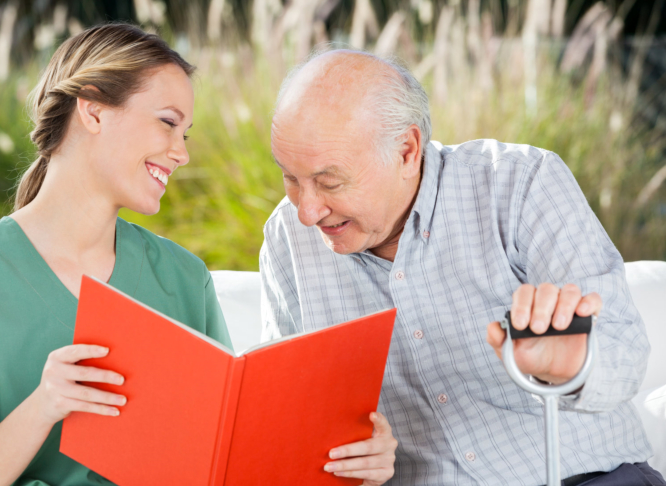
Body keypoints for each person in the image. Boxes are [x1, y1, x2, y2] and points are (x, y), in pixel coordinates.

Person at [260, 49, 666, 485]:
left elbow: (623, 354)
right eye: (290, 177)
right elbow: (287, 414)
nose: (306, 211)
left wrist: (573, 366)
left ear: (406, 151)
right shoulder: (287, 239)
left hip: (589, 477)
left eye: (329, 181)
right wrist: (348, 459)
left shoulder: (522, 184)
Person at [0, 23, 232, 486]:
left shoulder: (184, 279)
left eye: (186, 134)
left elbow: (222, 453)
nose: (181, 153)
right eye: (168, 123)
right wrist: (44, 404)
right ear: (93, 111)